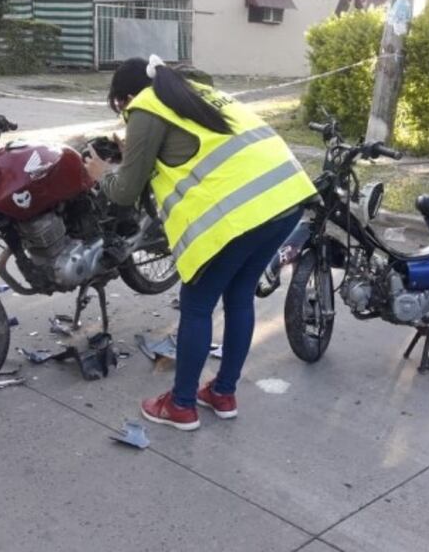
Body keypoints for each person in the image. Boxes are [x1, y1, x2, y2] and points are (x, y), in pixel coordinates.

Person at [84, 54, 317, 431]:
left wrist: (101, 174)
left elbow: (125, 192)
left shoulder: (145, 105)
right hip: (286, 198)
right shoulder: (195, 92)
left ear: (126, 96)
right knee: (239, 296)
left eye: (119, 106)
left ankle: (181, 405)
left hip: (244, 214)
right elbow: (195, 147)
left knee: (197, 305)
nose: (122, 113)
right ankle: (223, 394)